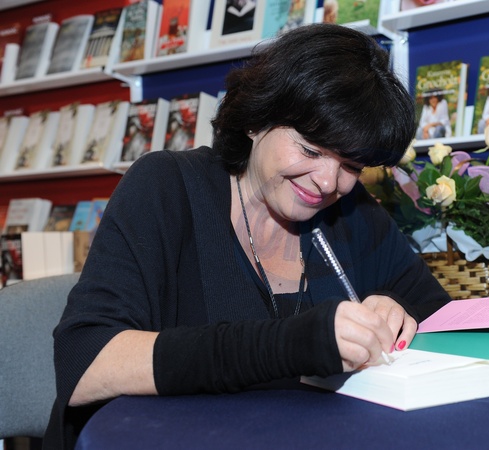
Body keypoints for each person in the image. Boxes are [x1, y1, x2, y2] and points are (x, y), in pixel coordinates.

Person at [45, 24, 451, 449]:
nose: (328, 182)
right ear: (257, 120)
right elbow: (85, 363)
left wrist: (398, 311)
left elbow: (446, 323)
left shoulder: (353, 212)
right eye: (311, 150)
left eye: (351, 165)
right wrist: (289, 345)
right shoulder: (166, 188)